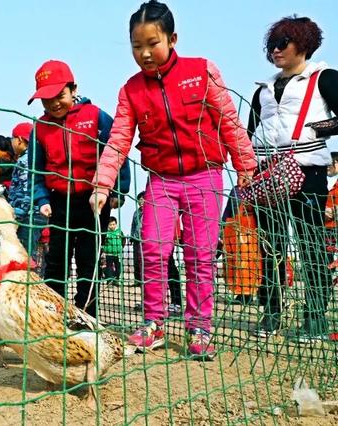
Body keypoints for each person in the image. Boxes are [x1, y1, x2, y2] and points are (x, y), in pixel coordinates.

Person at [90, 0, 257, 358]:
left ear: (172, 39)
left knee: (199, 254)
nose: (145, 53)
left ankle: (199, 328)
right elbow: (119, 139)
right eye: (137, 46)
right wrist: (102, 183)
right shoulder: (131, 90)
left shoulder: (202, 70)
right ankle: (154, 323)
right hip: (161, 180)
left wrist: (245, 164)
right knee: (152, 247)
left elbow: (228, 119)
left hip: (205, 176)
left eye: (153, 43)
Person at [247, 16, 338, 341]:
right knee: (269, 246)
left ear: (303, 43)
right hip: (267, 172)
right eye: (271, 44)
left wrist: (317, 130)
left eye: (282, 43)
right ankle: (271, 314)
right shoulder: (263, 90)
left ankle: (315, 319)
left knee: (311, 245)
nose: (275, 50)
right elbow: (248, 133)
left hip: (309, 168)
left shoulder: (323, 78)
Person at [27, 59, 131, 318]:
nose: (53, 104)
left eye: (59, 95)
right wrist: (41, 198)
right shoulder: (40, 128)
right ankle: (53, 314)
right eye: (45, 100)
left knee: (89, 261)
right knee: (56, 262)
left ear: (74, 89)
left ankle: (86, 315)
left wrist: (118, 191)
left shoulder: (96, 116)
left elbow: (117, 152)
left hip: (94, 200)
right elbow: (35, 169)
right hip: (58, 201)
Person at [131, 191, 182, 316]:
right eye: (140, 200)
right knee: (145, 273)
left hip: (162, 243)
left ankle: (176, 302)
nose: (142, 201)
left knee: (170, 270)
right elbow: (134, 227)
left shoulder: (159, 208)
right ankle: (148, 302)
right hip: (142, 245)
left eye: (144, 199)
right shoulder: (137, 213)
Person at [7, 122, 49, 265]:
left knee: (22, 254)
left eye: (12, 139)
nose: (11, 143)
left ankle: (24, 284)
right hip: (33, 213)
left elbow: (27, 190)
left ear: (19, 140)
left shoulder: (26, 160)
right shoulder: (34, 157)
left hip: (28, 214)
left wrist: (17, 215)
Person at [102, 217, 125, 285]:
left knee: (119, 268)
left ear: (116, 224)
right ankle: (109, 281)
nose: (112, 226)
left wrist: (122, 247)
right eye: (110, 224)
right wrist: (104, 249)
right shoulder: (106, 233)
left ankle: (116, 280)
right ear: (108, 225)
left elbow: (123, 239)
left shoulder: (119, 232)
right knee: (109, 268)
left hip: (118, 254)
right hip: (109, 253)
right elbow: (103, 242)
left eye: (113, 224)